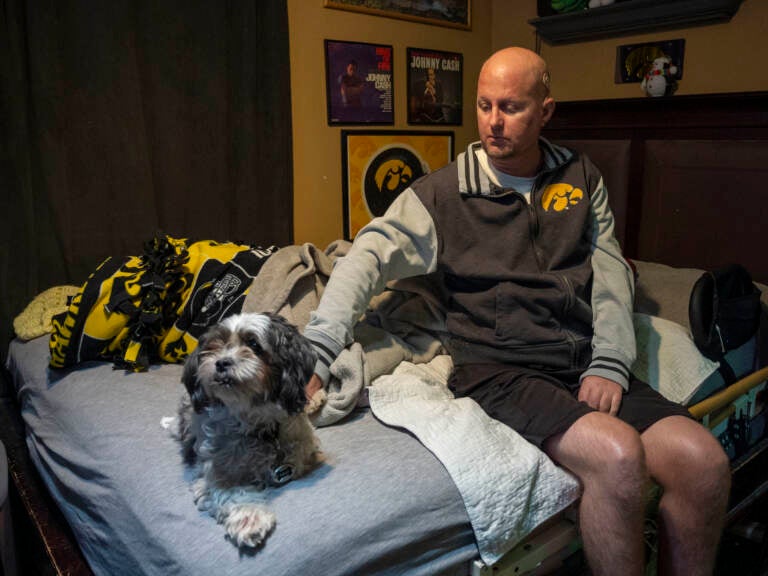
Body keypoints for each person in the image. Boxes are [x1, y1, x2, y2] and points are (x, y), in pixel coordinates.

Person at [304, 47, 730, 576]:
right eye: (484, 106)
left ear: (546, 111)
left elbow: (612, 272)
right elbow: (367, 255)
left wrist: (610, 362)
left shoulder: (581, 177)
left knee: (704, 463)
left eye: (511, 107)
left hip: (576, 356)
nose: (493, 122)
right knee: (617, 456)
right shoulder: (442, 194)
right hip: (498, 366)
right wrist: (318, 349)